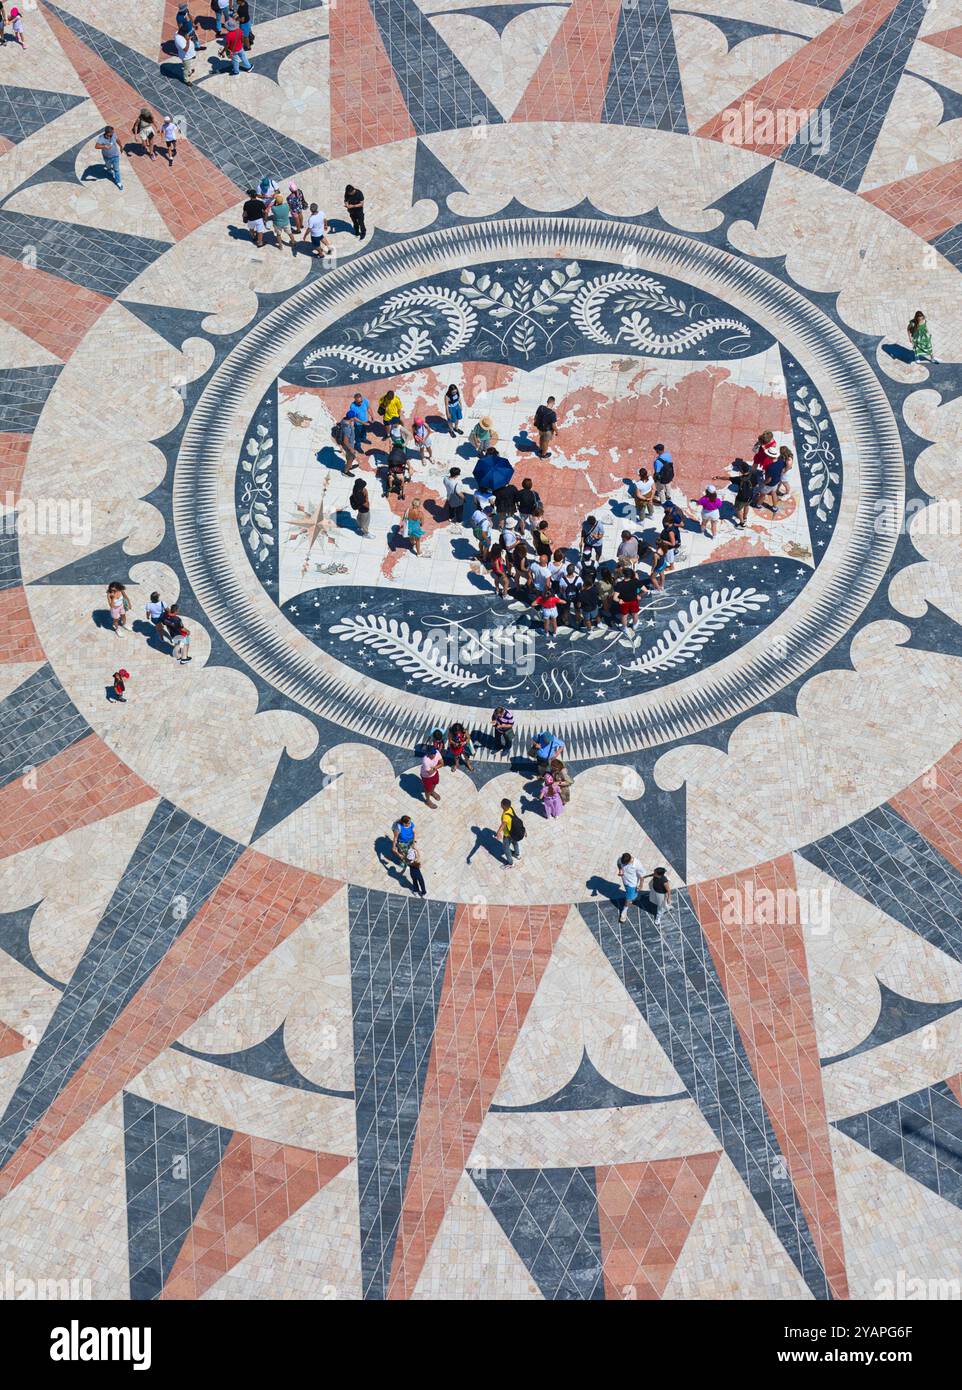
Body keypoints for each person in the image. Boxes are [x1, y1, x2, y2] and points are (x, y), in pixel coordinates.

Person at [617, 852, 643, 923]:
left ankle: (624, 911)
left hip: (632, 884)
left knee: (628, 898)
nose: (623, 865)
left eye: (625, 864)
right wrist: (620, 869)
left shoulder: (637, 864)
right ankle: (634, 896)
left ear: (629, 861)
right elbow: (619, 863)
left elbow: (642, 876)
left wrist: (640, 886)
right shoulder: (621, 859)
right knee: (631, 896)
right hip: (625, 881)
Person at [497, 798, 524, 866]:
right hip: (514, 833)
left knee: (506, 849)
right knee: (515, 843)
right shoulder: (510, 809)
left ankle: (510, 863)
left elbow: (503, 824)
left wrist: (498, 832)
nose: (500, 805)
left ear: (504, 806)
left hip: (508, 835)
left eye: (501, 804)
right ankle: (517, 854)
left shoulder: (505, 816)